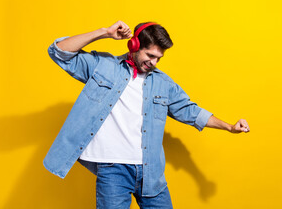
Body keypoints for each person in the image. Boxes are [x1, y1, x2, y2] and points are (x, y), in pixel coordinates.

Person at [44, 20, 250, 209]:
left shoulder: (163, 83)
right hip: (112, 168)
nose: (154, 62)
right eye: (150, 55)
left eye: (158, 58)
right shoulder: (103, 67)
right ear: (133, 46)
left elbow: (191, 111)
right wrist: (104, 33)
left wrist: (230, 127)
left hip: (150, 170)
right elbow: (59, 52)